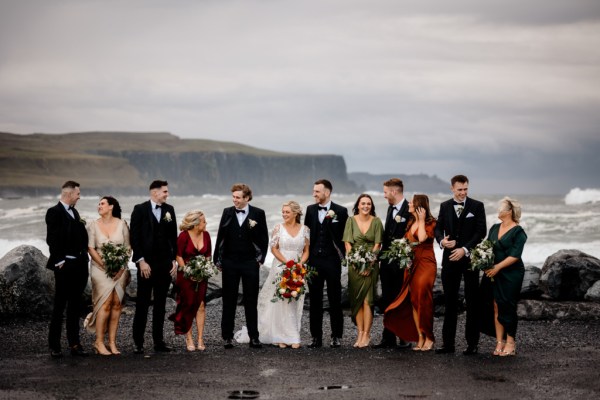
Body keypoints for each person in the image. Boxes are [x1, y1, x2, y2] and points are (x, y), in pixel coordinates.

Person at [434, 175, 486, 355]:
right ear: (452, 189)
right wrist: (442, 241)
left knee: (472, 301)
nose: (463, 193)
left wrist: (464, 249)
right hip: (449, 260)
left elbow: (481, 231)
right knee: (450, 302)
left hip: (470, 259)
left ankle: (472, 344)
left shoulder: (477, 206)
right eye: (460, 190)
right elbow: (438, 228)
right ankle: (448, 344)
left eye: (465, 189)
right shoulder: (445, 206)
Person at [215, 183, 269, 349]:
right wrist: (217, 259)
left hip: (249, 263)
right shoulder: (227, 212)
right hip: (230, 262)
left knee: (251, 300)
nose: (235, 200)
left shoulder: (258, 214)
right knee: (228, 300)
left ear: (247, 198)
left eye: (238, 197)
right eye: (233, 197)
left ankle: (254, 336)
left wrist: (260, 260)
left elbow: (263, 238)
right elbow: (220, 235)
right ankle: (227, 337)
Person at [384, 195, 437, 351]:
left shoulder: (430, 223)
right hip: (411, 264)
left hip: (426, 263)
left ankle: (429, 336)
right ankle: (420, 337)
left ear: (420, 206)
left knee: (423, 299)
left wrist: (421, 220)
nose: (409, 203)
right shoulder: (410, 222)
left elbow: (421, 238)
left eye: (412, 202)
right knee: (413, 300)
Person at [253, 201, 310, 348]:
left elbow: (306, 251)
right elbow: (274, 249)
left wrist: (299, 264)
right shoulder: (278, 228)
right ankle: (279, 336)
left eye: (287, 212)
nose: (284, 214)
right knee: (280, 299)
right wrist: (287, 263)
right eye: (283, 212)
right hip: (280, 266)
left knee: (294, 299)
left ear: (295, 213)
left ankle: (293, 336)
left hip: (297, 269)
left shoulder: (305, 229)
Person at [130, 180, 178, 354]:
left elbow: (173, 237)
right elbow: (134, 237)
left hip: (164, 264)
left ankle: (159, 341)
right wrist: (141, 261)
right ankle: (138, 342)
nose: (167, 194)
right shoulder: (140, 209)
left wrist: (174, 261)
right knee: (142, 303)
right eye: (165, 191)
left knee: (161, 303)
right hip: (146, 264)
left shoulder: (169, 210)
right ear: (154, 192)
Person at [46, 181, 90, 358]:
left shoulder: (75, 212)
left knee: (75, 305)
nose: (79, 197)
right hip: (64, 267)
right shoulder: (54, 212)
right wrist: (60, 261)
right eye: (78, 194)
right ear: (69, 194)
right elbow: (52, 239)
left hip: (79, 265)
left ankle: (74, 344)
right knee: (59, 306)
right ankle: (54, 346)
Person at [479, 197, 527, 356]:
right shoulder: (494, 228)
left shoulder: (518, 231)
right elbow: (486, 247)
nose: (498, 210)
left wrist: (498, 267)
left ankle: (511, 342)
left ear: (509, 211)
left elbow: (515, 255)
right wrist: (483, 262)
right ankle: (499, 341)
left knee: (507, 305)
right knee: (495, 305)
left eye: (501, 208)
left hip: (511, 273)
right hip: (493, 272)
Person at [304, 179, 349, 348]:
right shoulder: (310, 210)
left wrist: (344, 257)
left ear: (327, 192)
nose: (314, 194)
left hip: (332, 261)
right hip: (314, 260)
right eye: (314, 191)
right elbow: (306, 235)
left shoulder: (341, 211)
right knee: (315, 300)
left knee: (334, 299)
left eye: (317, 191)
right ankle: (316, 337)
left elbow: (345, 237)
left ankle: (336, 336)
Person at [84, 196, 131, 356]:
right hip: (99, 269)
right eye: (98, 204)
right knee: (104, 303)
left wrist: (120, 268)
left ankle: (112, 342)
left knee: (117, 304)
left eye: (102, 203)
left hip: (119, 270)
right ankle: (98, 342)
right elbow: (90, 248)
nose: (99, 206)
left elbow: (127, 247)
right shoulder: (92, 225)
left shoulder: (122, 224)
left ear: (111, 206)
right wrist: (106, 266)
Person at [374, 178, 411, 349]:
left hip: (402, 264)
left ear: (394, 191)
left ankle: (403, 337)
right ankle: (388, 338)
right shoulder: (390, 209)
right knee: (388, 299)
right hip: (387, 264)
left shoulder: (409, 209)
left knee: (401, 300)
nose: (384, 196)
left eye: (385, 192)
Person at [343, 194, 383, 348]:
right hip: (354, 266)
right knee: (357, 301)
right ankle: (359, 333)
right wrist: (355, 261)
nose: (366, 206)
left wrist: (369, 264)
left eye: (368, 203)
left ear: (371, 206)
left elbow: (377, 244)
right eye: (363, 203)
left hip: (371, 266)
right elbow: (347, 243)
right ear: (358, 205)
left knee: (368, 301)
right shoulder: (351, 221)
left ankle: (367, 334)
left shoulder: (377, 222)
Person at [169, 210, 212, 351]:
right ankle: (189, 339)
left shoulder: (206, 235)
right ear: (195, 224)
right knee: (187, 305)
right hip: (186, 276)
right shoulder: (183, 236)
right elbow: (178, 255)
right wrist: (188, 271)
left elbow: (208, 255)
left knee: (200, 305)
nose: (206, 223)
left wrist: (204, 270)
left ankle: (200, 339)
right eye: (204, 221)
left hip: (202, 276)